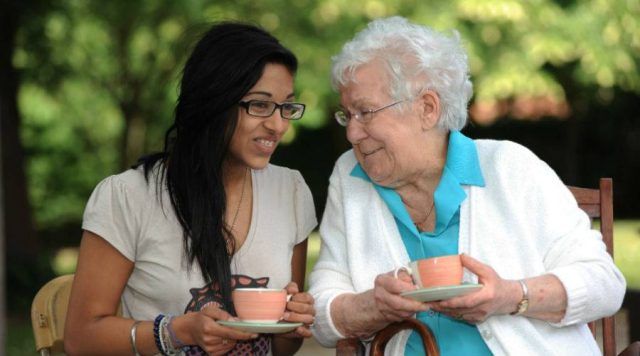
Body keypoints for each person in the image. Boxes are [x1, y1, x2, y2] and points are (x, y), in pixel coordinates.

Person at [309, 16, 625, 355]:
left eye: (365, 112)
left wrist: (509, 296)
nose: (352, 133)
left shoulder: (509, 167)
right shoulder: (350, 175)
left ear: (427, 109)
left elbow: (604, 284)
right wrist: (373, 306)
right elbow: (321, 311)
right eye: (347, 115)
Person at [64, 22, 317, 356]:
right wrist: (175, 332)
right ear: (214, 101)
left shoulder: (291, 191)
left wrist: (293, 321)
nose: (278, 124)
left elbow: (282, 348)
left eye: (287, 106)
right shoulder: (128, 197)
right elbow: (81, 337)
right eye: (259, 105)